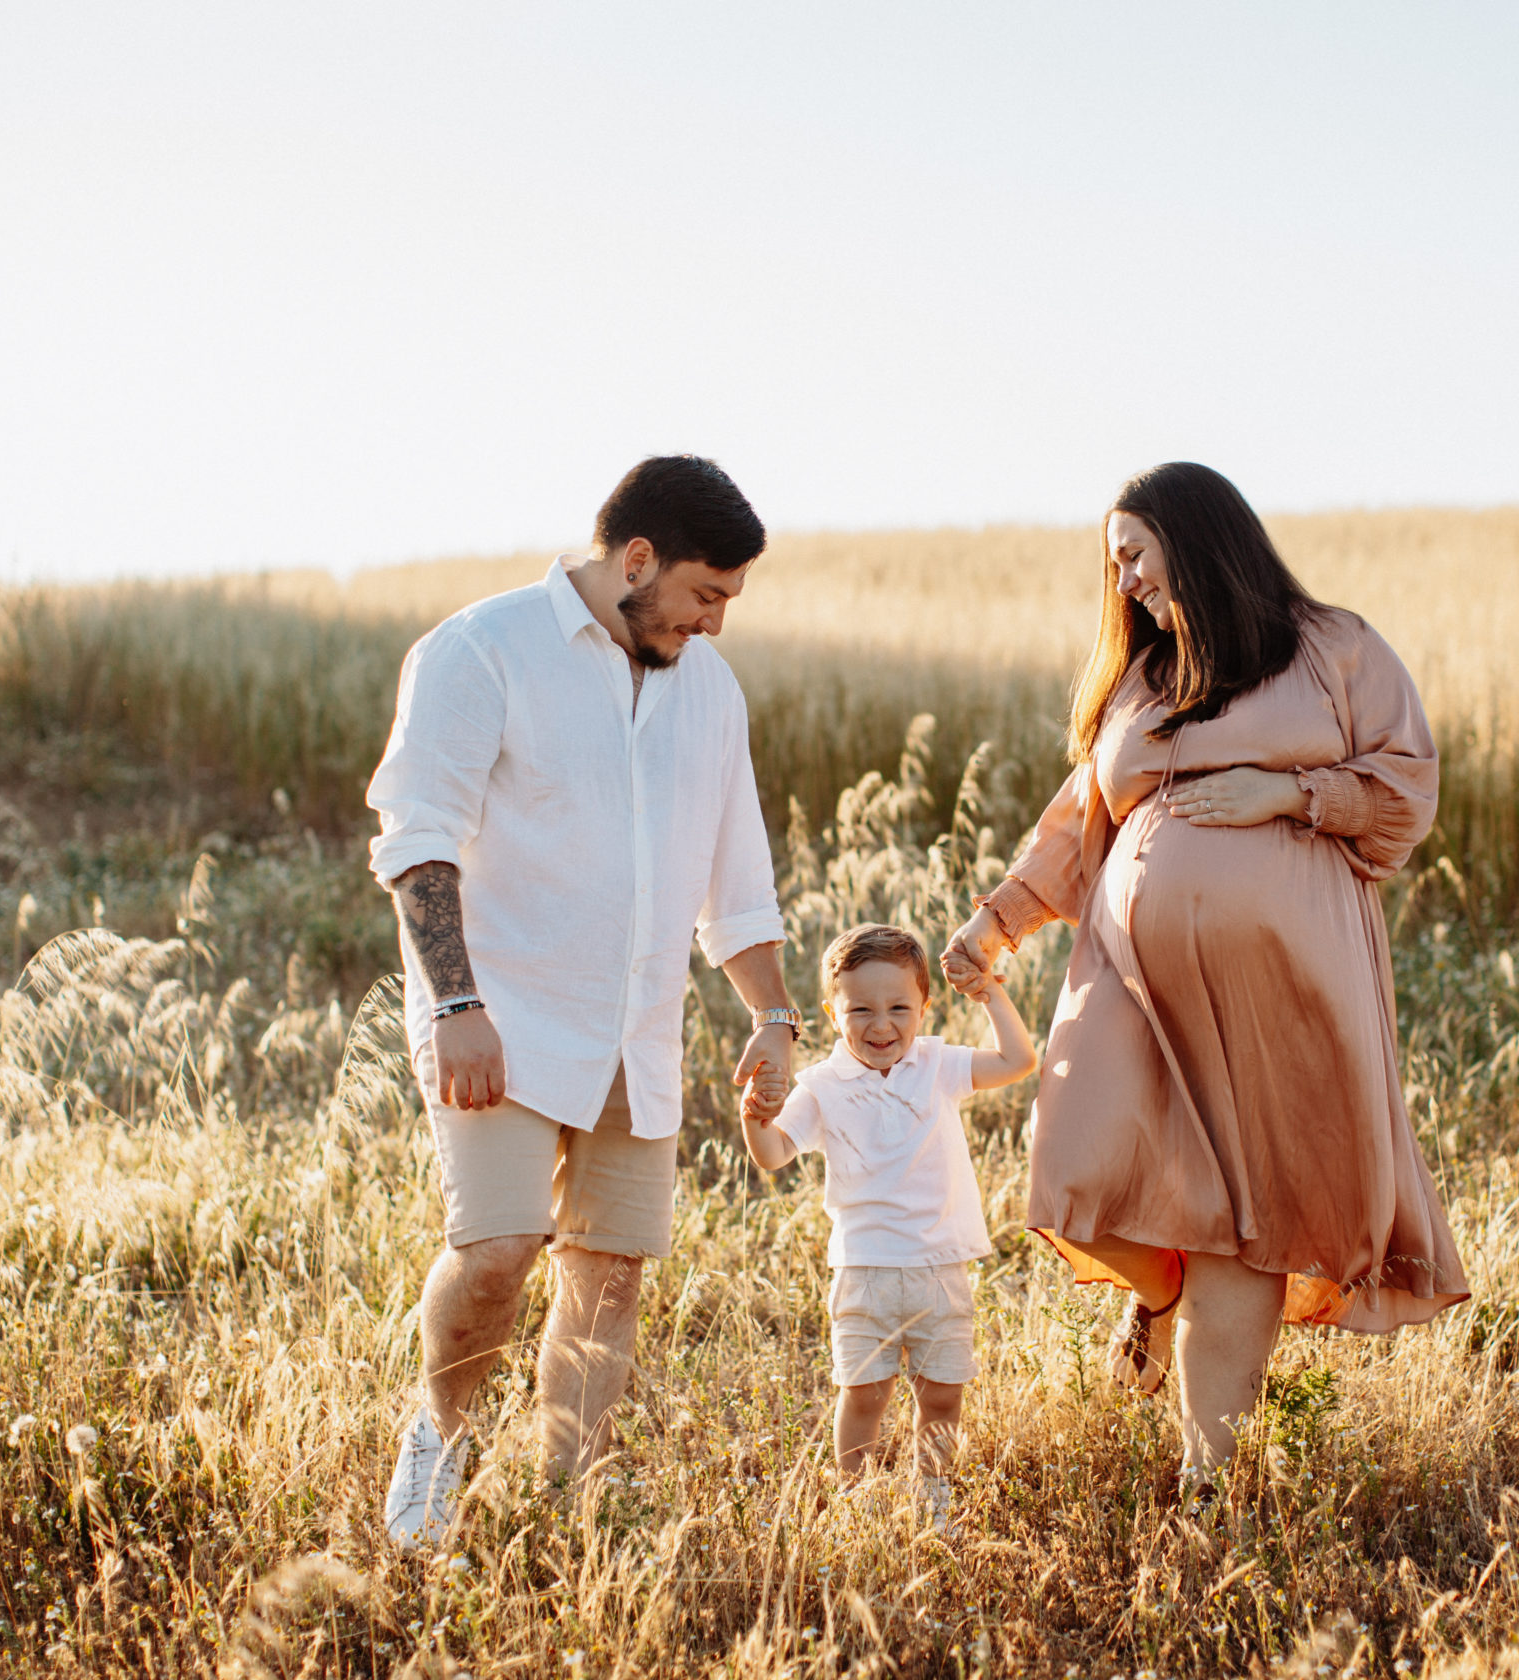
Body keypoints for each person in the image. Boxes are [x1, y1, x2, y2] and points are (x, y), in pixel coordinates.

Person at [942, 461, 1469, 1503]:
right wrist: (997, 920)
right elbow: (1076, 823)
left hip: (1288, 994)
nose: (1123, 578)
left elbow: (1404, 793)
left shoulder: (1334, 651)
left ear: (1198, 538)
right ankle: (1153, 1294)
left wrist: (1288, 792)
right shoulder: (1139, 684)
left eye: (1133, 552)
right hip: (1136, 992)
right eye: (1115, 561)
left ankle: (1206, 1482)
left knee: (1248, 1225)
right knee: (1078, 1184)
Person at [365, 454, 805, 1551]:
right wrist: (454, 1001)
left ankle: (559, 1501)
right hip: (501, 1019)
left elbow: (736, 881)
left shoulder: (710, 689)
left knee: (609, 1283)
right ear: (637, 559)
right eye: (705, 595)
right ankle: (440, 1442)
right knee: (502, 1246)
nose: (715, 623)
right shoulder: (481, 650)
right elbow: (417, 840)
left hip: (637, 1038)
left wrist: (773, 1015)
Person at [739, 924, 1038, 1532]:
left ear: (925, 1008)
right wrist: (755, 1117)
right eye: (861, 1010)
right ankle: (853, 1503)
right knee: (865, 1396)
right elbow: (772, 1155)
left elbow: (1019, 1060)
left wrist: (990, 996)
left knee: (942, 1395)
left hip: (940, 1267)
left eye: (900, 1007)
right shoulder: (822, 1086)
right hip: (865, 1271)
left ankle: (935, 1505)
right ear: (832, 1013)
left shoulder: (937, 1066)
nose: (882, 1025)